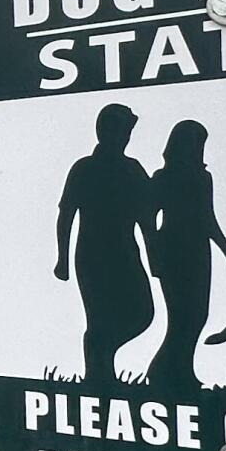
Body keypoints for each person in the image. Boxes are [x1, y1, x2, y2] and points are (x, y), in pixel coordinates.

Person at [54, 103, 154, 384]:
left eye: (128, 131)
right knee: (98, 318)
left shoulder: (133, 170)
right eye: (123, 130)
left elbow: (146, 216)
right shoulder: (84, 168)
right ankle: (99, 376)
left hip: (125, 253)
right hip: (92, 254)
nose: (126, 136)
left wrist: (155, 254)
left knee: (142, 312)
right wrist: (62, 259)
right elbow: (66, 215)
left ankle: (101, 363)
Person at [144, 118, 226, 391]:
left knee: (198, 314)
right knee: (181, 316)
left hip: (199, 250)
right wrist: (154, 256)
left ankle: (181, 370)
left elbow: (208, 218)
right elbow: (148, 219)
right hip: (172, 247)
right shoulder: (162, 177)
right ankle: (163, 371)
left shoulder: (202, 177)